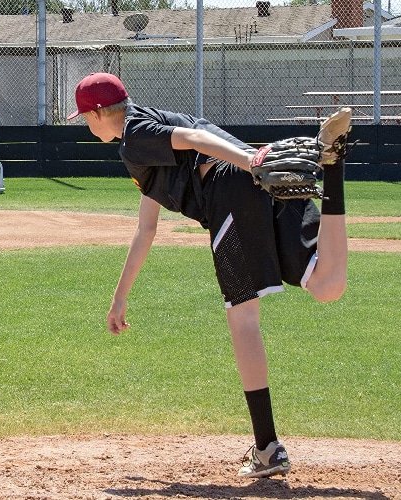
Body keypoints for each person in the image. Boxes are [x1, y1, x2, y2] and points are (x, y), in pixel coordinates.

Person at [67, 72, 350, 479]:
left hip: (232, 187)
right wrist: (120, 296)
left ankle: (268, 448)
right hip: (256, 179)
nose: (86, 124)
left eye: (85, 117)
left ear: (98, 113)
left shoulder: (135, 134)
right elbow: (146, 228)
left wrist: (251, 163)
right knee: (327, 285)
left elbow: (196, 140)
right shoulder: (144, 139)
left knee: (243, 319)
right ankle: (335, 169)